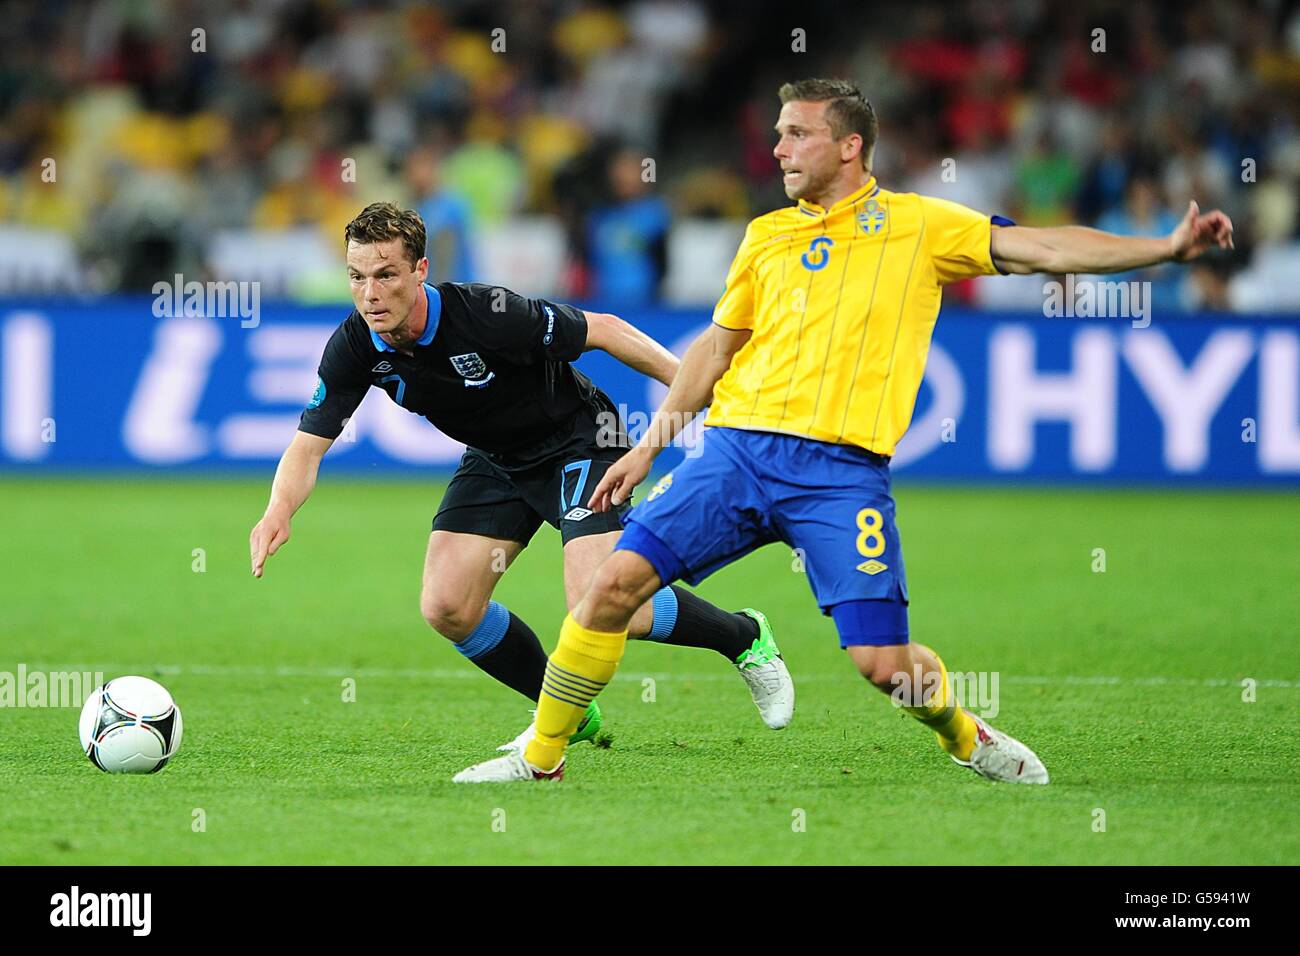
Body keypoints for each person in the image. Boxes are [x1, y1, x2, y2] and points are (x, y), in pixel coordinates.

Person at [453, 78, 1234, 784]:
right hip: (734, 451)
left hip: (840, 473)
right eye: (778, 134)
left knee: (882, 664)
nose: (778, 147)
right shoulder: (765, 236)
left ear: (850, 145)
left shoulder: (920, 225)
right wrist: (651, 446)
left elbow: (1045, 246)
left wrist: (1164, 248)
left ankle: (963, 733)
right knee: (609, 586)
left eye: (797, 133)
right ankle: (543, 756)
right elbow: (715, 352)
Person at [250, 202, 795, 753]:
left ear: (419, 270)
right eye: (357, 276)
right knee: (447, 607)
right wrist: (278, 510)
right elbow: (307, 447)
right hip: (496, 458)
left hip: (581, 440)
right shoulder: (355, 345)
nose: (370, 294)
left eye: (386, 274)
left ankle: (745, 637)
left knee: (601, 601)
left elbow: (604, 330)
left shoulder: (486, 313)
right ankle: (566, 713)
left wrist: (697, 388)